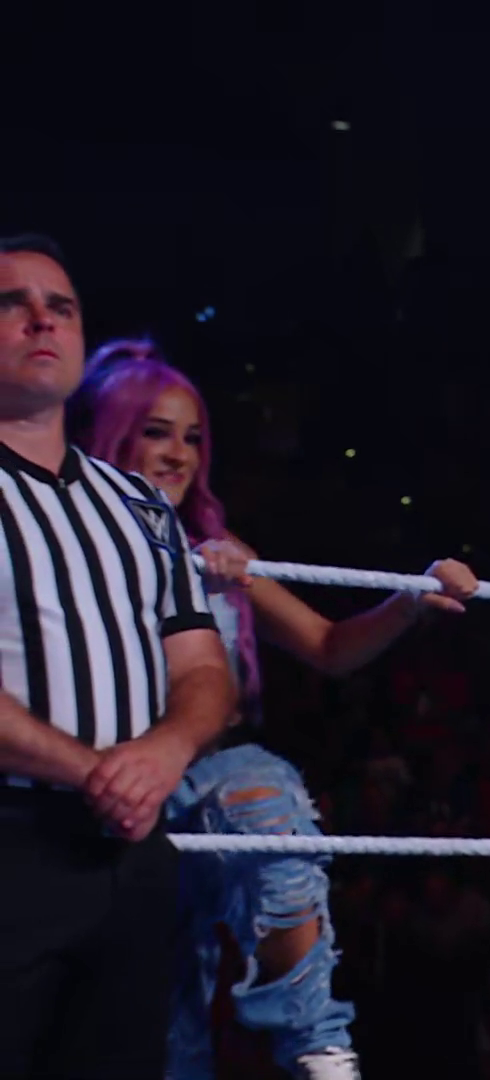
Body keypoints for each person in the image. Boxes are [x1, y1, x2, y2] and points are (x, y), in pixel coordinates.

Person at [68, 340, 481, 1080]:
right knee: (164, 1022)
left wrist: (412, 601)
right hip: (101, 788)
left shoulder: (216, 548)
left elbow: (327, 645)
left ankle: (317, 1041)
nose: (179, 454)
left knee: (266, 800)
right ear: (110, 433)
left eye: (193, 437)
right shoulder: (65, 541)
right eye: (156, 432)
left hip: (205, 781)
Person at [0, 234, 237, 1078]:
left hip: (133, 851)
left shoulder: (139, 503)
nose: (42, 320)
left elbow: (203, 666)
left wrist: (165, 751)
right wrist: (98, 771)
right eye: (13, 303)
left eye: (61, 307)